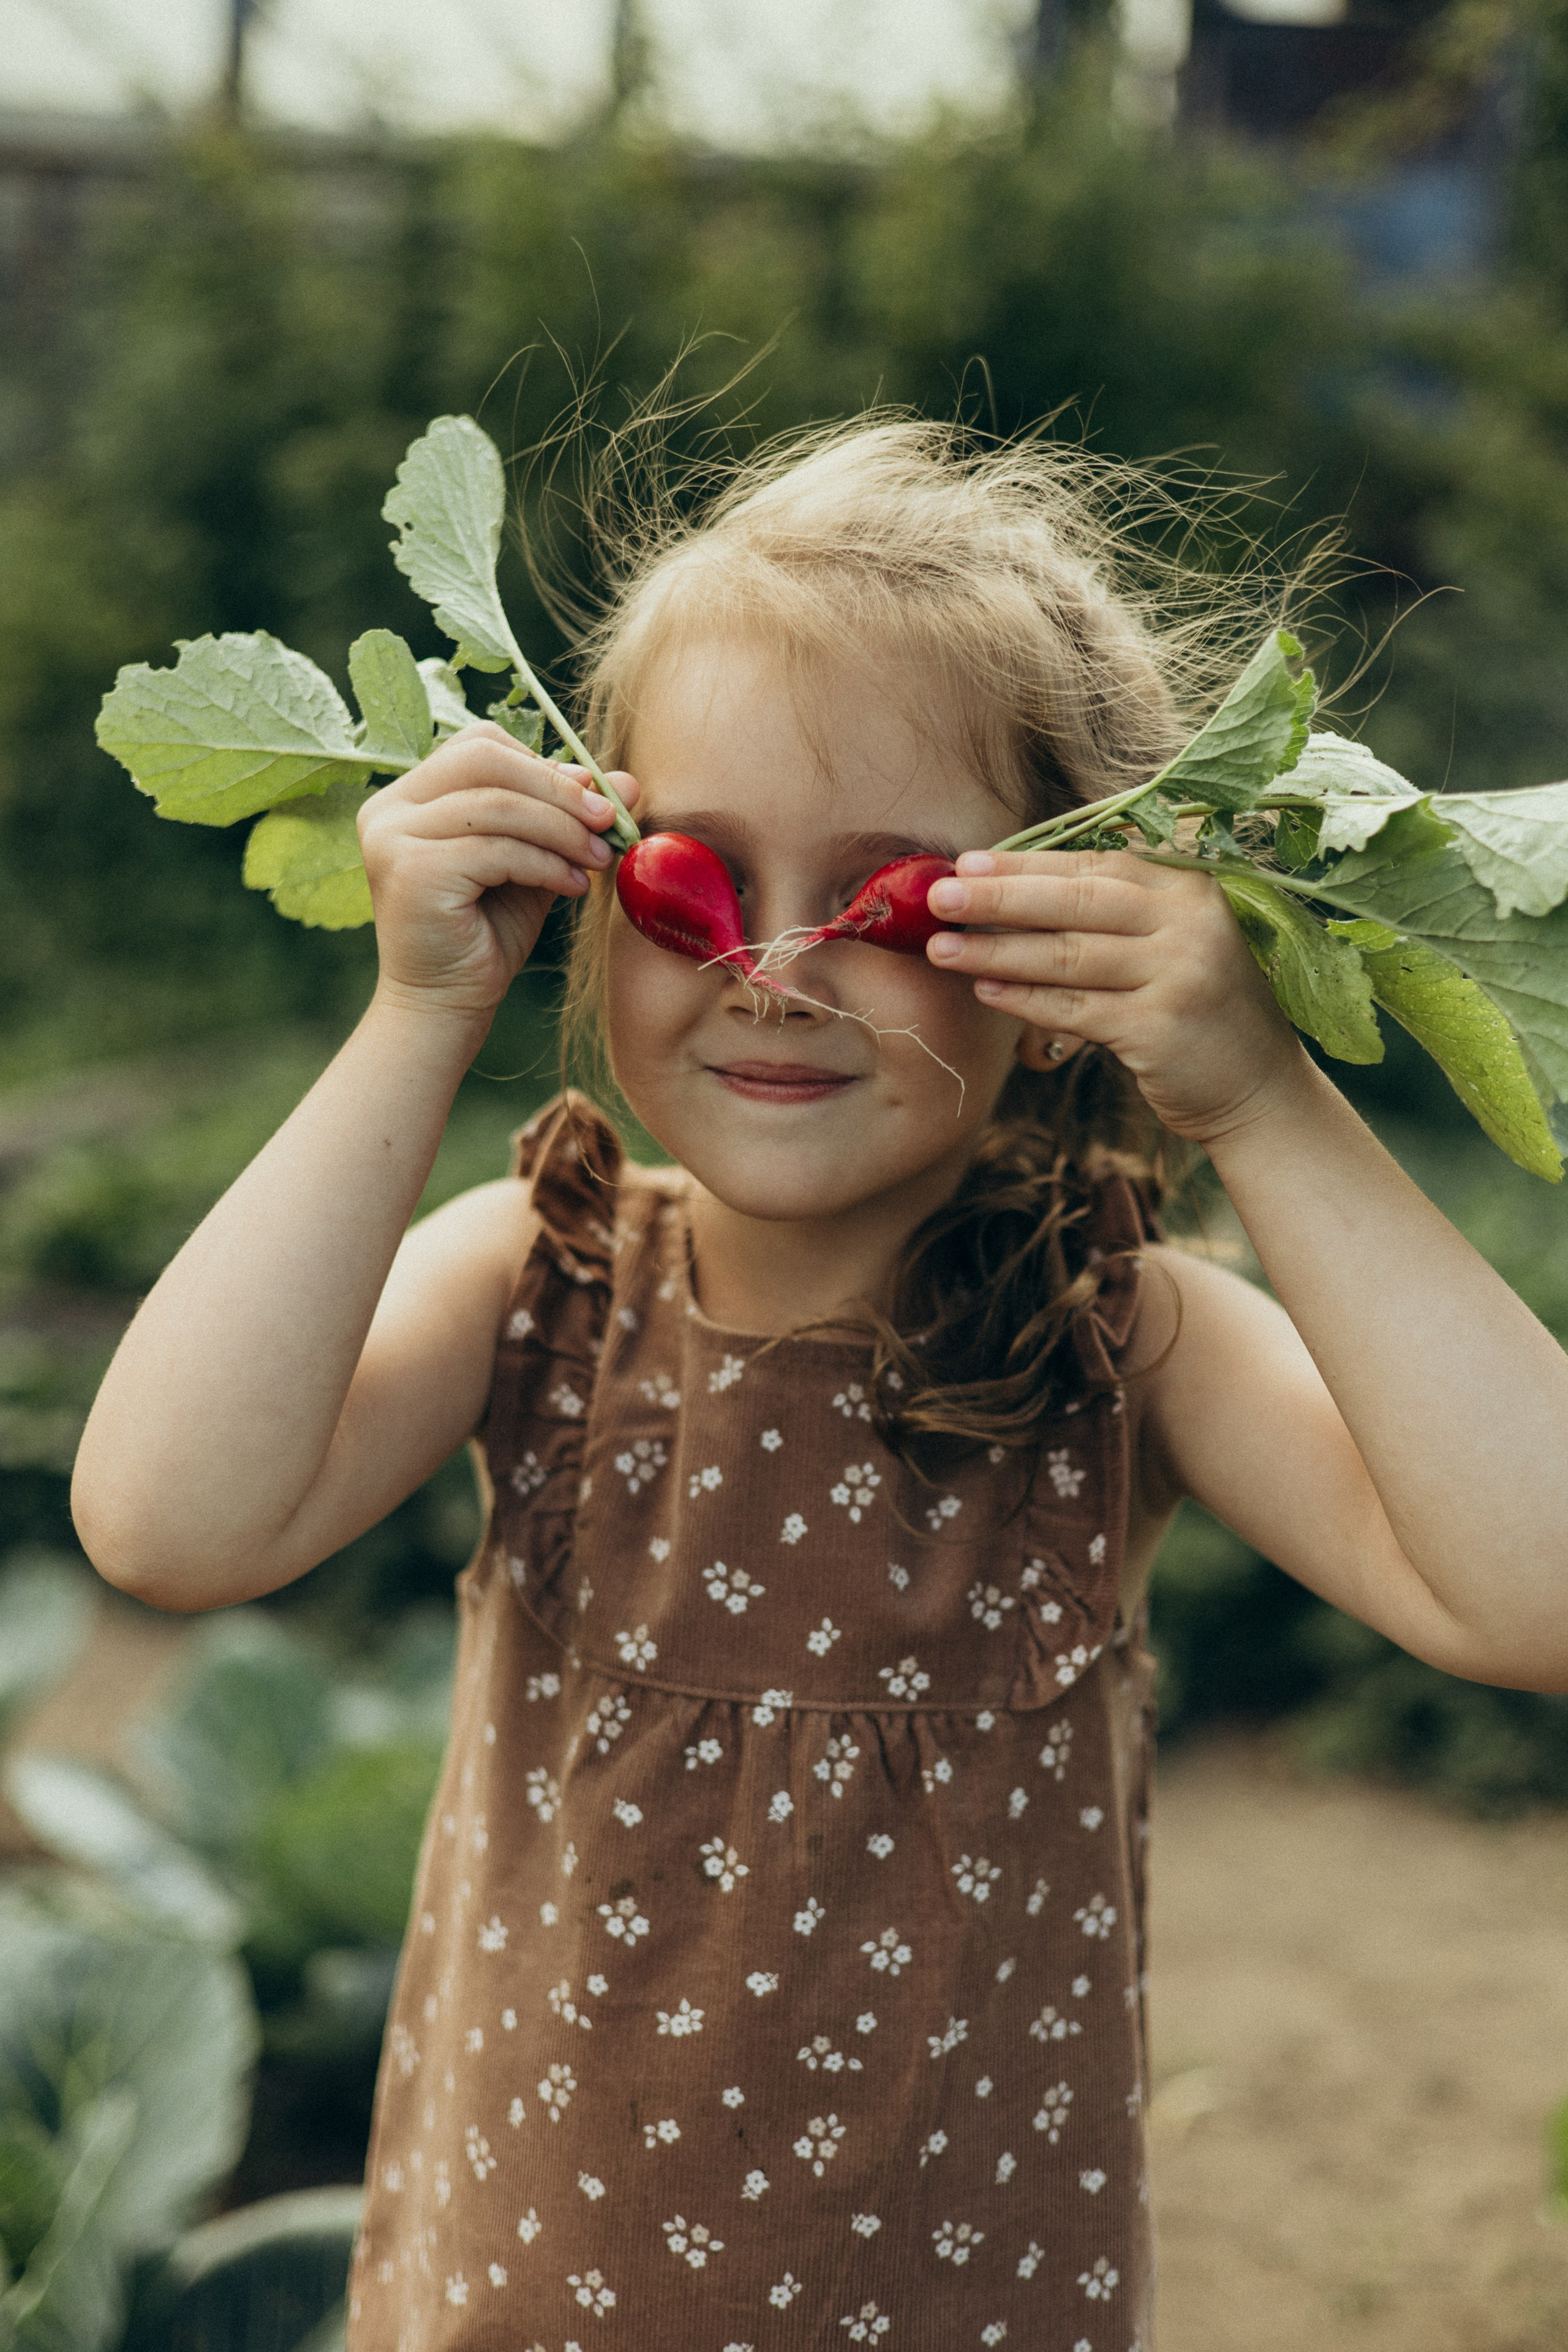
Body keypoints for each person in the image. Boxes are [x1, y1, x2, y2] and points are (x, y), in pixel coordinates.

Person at [72, 421, 1568, 2352]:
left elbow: (1536, 1588)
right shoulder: (544, 1277)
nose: (775, 968)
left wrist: (1264, 1099)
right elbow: (165, 1521)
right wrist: (416, 1014)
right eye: (697, 881)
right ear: (592, 893)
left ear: (1061, 962)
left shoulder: (1124, 1334)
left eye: (893, 907)